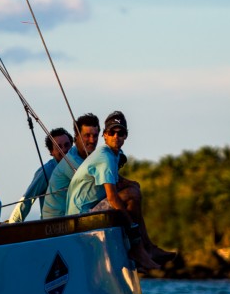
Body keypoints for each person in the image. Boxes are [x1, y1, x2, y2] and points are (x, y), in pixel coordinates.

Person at [66, 111, 175, 270]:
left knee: (134, 190)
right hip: (79, 216)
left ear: (126, 136)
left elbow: (117, 180)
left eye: (120, 133)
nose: (116, 136)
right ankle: (140, 248)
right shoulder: (105, 157)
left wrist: (133, 184)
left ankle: (146, 248)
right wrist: (132, 227)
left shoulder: (115, 154)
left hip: (92, 207)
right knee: (131, 194)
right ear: (105, 135)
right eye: (112, 132)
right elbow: (112, 198)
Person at [7, 128, 74, 223]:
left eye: (67, 145)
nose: (64, 150)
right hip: (52, 225)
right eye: (58, 147)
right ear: (51, 152)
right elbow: (28, 199)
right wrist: (12, 225)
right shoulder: (46, 171)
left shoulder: (78, 167)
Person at [41, 113, 100, 218]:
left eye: (95, 136)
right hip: (56, 221)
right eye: (87, 136)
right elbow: (100, 184)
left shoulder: (89, 158)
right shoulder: (70, 161)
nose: (92, 140)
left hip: (70, 215)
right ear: (76, 137)